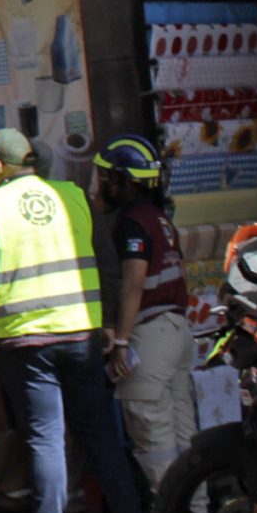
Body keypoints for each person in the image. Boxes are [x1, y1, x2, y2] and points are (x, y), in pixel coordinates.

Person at [0, 128, 154, 513]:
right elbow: (105, 261)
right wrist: (106, 322)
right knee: (98, 432)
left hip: (25, 340)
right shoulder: (73, 196)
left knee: (45, 434)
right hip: (81, 333)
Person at [93, 134, 198, 493]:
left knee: (153, 435)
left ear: (124, 180)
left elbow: (133, 284)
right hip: (178, 331)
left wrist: (120, 341)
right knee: (185, 433)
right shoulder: (159, 218)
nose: (102, 185)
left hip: (150, 335)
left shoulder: (133, 222)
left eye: (107, 177)